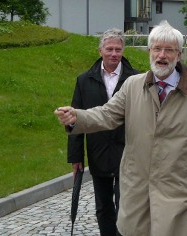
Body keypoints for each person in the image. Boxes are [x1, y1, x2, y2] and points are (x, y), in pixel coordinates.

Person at [54, 20, 187, 236]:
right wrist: (78, 117)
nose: (162, 56)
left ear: (179, 54)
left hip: (176, 185)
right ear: (149, 51)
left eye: (169, 50)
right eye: (157, 49)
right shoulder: (132, 85)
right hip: (136, 183)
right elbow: (107, 114)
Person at [66, 28, 138, 236]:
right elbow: (75, 119)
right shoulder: (84, 80)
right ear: (100, 51)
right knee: (103, 206)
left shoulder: (135, 79)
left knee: (127, 206)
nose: (114, 53)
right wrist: (76, 157)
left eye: (118, 49)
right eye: (109, 49)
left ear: (123, 50)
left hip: (128, 150)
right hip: (98, 149)